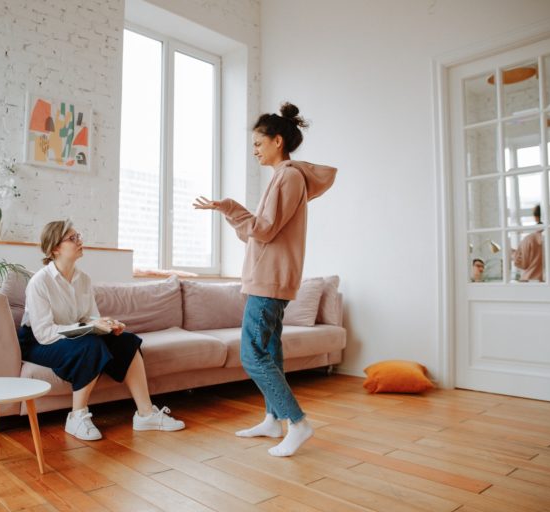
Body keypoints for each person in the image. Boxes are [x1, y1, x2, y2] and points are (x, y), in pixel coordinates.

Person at [193, 102, 337, 457]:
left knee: (252, 354)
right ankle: (273, 419)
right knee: (270, 351)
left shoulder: (287, 177)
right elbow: (260, 233)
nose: (255, 150)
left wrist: (229, 207)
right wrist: (230, 210)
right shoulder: (285, 177)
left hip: (269, 280)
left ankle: (298, 423)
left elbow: (263, 229)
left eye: (258, 143)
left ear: (277, 141)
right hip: (270, 278)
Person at [17, 220, 185, 440]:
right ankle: (76, 417)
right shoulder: (39, 282)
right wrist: (88, 328)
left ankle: (145, 414)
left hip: (71, 334)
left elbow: (89, 317)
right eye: (72, 238)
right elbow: (44, 333)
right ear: (55, 248)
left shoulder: (83, 279)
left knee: (126, 340)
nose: (79, 241)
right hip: (38, 341)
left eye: (79, 236)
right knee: (90, 345)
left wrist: (107, 325)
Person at [513, 204, 550, 282]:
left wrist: (513, 254)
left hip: (531, 283)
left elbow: (522, 264)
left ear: (536, 217)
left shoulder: (529, 239)